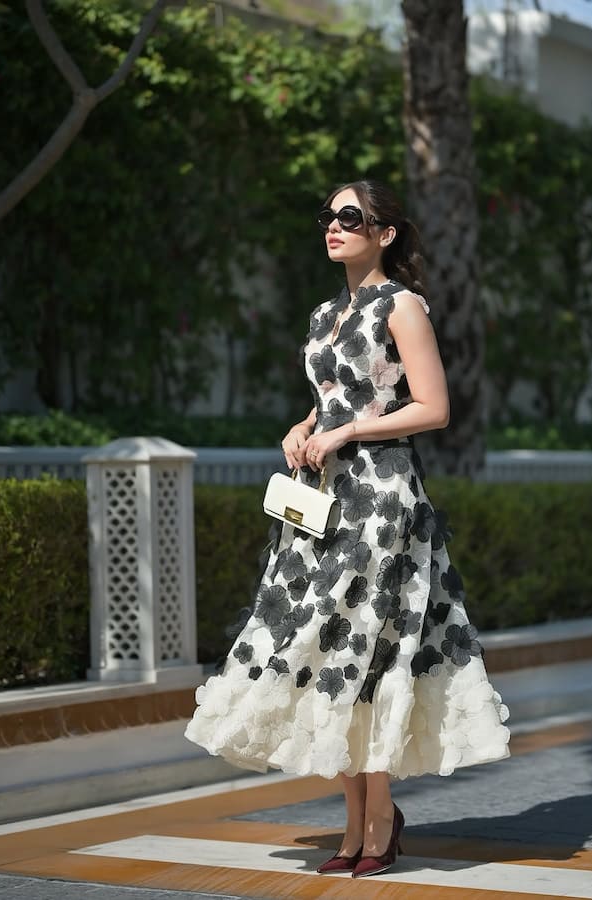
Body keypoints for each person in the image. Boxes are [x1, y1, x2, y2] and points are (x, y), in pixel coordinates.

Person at [184, 179, 510, 878]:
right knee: (322, 648)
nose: (334, 227)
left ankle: (376, 820)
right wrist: (304, 427)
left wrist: (351, 431)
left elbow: (433, 407)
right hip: (321, 501)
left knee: (369, 647)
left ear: (384, 232)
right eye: (328, 217)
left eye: (350, 217)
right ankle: (361, 820)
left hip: (382, 500)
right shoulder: (325, 314)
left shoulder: (402, 306)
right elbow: (329, 399)